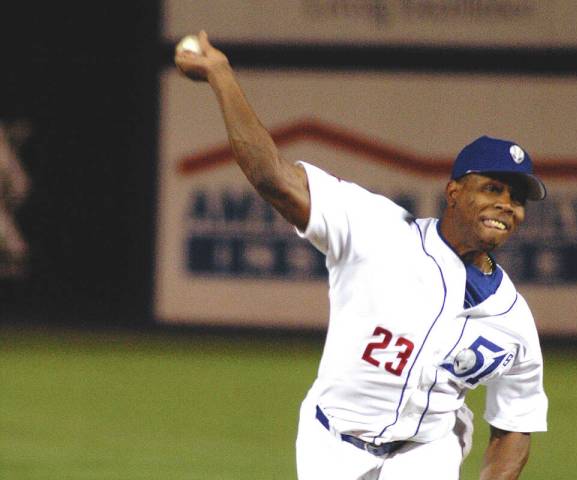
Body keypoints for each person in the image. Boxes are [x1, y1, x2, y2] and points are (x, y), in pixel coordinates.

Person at [176, 31, 548, 480]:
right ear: (453, 191)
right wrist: (221, 74)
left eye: (518, 198)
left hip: (426, 454)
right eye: (492, 188)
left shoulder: (514, 321)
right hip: (330, 444)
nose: (508, 204)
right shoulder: (377, 230)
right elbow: (273, 178)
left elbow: (516, 423)